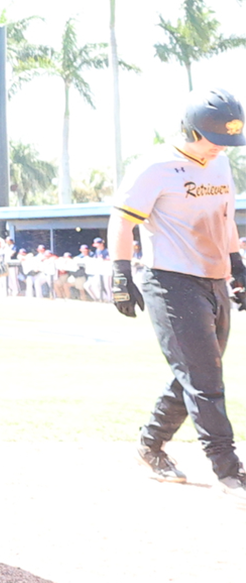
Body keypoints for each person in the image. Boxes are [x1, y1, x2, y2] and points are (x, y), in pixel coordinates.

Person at [110, 89, 246, 504]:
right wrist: (119, 273)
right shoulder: (155, 166)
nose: (221, 146)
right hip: (170, 280)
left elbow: (225, 220)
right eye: (213, 137)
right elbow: (121, 218)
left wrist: (237, 267)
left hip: (213, 277)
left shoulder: (220, 163)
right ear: (190, 129)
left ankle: (149, 447)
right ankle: (229, 470)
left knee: (195, 371)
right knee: (205, 379)